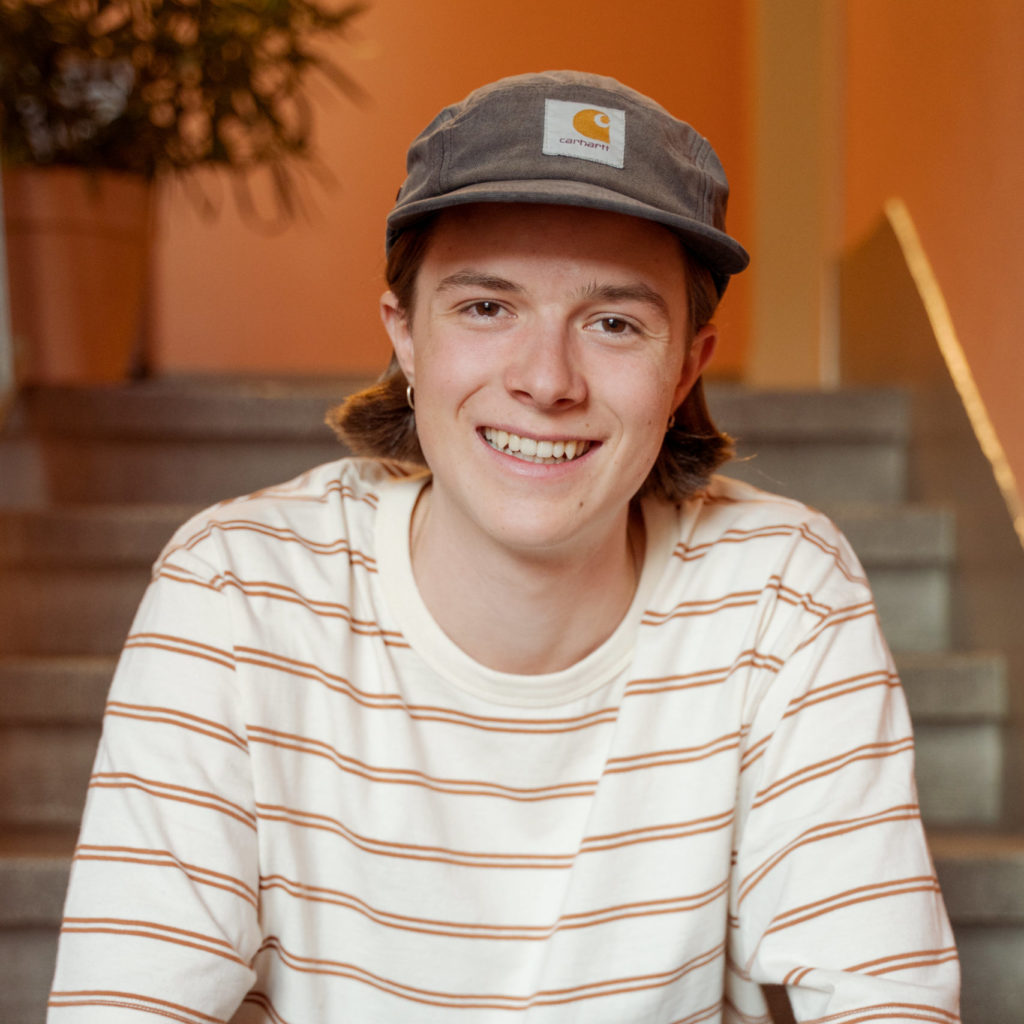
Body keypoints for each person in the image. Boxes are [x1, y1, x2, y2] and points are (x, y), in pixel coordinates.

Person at [47, 70, 960, 1023]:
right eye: (487, 307)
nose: (546, 380)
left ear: (687, 366)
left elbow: (886, 998)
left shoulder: (783, 588)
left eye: (614, 323)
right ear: (406, 334)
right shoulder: (235, 589)